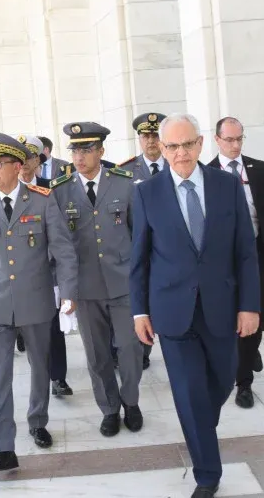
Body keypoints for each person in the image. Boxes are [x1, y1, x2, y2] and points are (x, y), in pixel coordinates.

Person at [130, 113, 260, 498]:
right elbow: (139, 258)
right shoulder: (147, 192)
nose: (180, 153)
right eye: (172, 146)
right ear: (162, 148)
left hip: (222, 306)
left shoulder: (227, 186)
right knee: (188, 393)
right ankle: (207, 474)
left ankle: (200, 424)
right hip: (172, 312)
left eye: (188, 145)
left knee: (220, 383)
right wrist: (140, 311)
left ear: (201, 144)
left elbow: (246, 252)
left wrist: (249, 305)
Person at [0, 132, 78, 473]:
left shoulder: (42, 200)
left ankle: (37, 420)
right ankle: (3, 448)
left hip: (36, 299)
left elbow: (63, 250)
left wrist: (68, 292)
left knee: (40, 368)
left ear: (18, 166)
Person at [50, 122, 143, 436]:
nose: (80, 156)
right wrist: (66, 290)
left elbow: (139, 235)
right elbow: (58, 244)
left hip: (124, 282)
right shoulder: (60, 190)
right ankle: (109, 408)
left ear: (101, 151)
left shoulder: (125, 183)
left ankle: (131, 401)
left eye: (87, 149)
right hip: (86, 287)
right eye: (75, 150)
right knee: (97, 354)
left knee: (131, 348)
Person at [209, 116, 264, 409]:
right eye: (229, 139)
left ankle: (252, 348)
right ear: (217, 140)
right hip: (226, 257)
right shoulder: (208, 173)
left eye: (239, 139)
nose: (235, 145)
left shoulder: (259, 169)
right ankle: (243, 383)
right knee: (237, 316)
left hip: (257, 249)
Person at [20, 134, 72, 397]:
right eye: (21, 158)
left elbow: (61, 233)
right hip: (18, 275)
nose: (26, 163)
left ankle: (58, 377)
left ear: (38, 160)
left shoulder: (51, 189)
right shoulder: (7, 191)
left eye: (30, 158)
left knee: (54, 328)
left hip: (47, 272)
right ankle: (39, 376)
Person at [116, 111, 167, 369]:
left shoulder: (177, 164)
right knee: (141, 300)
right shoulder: (125, 172)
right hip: (140, 249)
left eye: (156, 135)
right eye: (145, 135)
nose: (151, 141)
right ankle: (143, 351)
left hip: (171, 250)